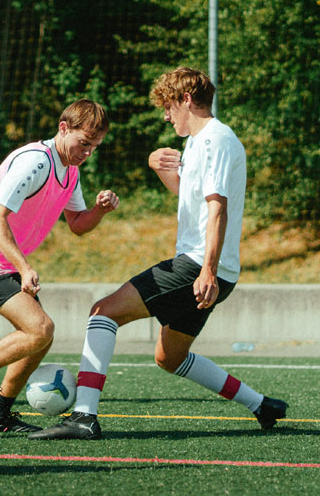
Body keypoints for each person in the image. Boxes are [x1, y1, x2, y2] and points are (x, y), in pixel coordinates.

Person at [32, 68, 285, 441]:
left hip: (198, 264)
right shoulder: (199, 142)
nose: (166, 116)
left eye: (168, 106)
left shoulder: (215, 140)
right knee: (170, 358)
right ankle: (261, 404)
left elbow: (218, 210)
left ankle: (84, 415)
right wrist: (162, 171)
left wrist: (208, 272)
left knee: (103, 313)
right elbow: (194, 201)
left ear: (185, 100)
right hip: (213, 267)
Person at [0, 99, 119, 434]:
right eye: (83, 143)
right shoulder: (35, 162)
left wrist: (100, 210)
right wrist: (24, 268)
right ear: (63, 128)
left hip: (0, 259)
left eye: (94, 147)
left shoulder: (70, 170)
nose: (87, 152)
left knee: (40, 336)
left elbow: (78, 225)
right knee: (40, 329)